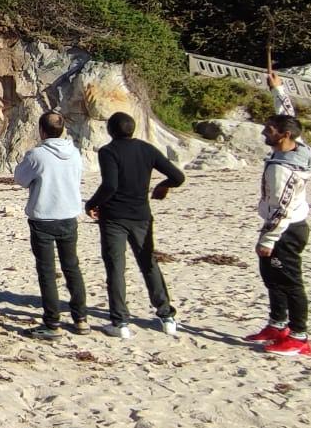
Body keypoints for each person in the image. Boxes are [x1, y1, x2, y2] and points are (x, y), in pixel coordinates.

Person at [85, 111, 186, 339]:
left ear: (110, 130)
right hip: (141, 215)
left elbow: (110, 185)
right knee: (149, 263)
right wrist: (163, 186)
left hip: (113, 218)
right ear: (133, 129)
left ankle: (120, 322)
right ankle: (166, 316)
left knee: (116, 269)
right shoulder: (146, 149)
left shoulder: (108, 152)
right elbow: (178, 177)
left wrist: (91, 203)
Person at [245, 72, 311, 358]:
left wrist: (268, 239)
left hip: (286, 230)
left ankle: (299, 337)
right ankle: (278, 325)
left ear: (284, 136)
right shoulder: (303, 148)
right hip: (287, 224)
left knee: (289, 281)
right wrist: (279, 89)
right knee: (271, 277)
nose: (265, 132)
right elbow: (288, 115)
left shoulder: (282, 169)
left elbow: (282, 208)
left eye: (270, 130)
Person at [12, 111, 88, 338]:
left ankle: (52, 322)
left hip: (43, 217)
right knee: (72, 267)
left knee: (47, 272)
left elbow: (21, 179)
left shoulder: (38, 155)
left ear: (42, 131)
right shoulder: (74, 153)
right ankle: (81, 318)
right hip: (68, 216)